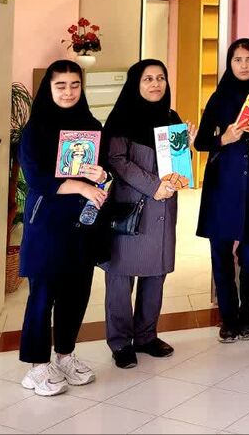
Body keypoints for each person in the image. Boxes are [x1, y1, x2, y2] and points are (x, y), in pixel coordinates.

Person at [17, 60, 111, 395]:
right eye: (61, 86)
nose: (69, 92)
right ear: (49, 88)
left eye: (75, 85)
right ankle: (37, 365)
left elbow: (103, 169)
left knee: (76, 292)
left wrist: (101, 175)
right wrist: (82, 186)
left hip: (82, 223)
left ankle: (65, 355)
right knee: (43, 293)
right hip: (47, 222)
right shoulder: (35, 129)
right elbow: (37, 178)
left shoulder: (91, 125)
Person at [102, 60, 185, 369]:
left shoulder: (171, 117)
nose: (155, 84)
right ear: (135, 84)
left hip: (163, 207)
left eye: (161, 78)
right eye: (148, 78)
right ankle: (120, 342)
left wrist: (184, 148)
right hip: (131, 206)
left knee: (155, 274)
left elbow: (178, 165)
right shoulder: (122, 117)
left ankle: (146, 336)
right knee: (120, 277)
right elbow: (117, 160)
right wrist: (153, 186)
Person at [194, 39, 249, 343]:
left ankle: (247, 313)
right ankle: (228, 317)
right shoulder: (220, 96)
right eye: (237, 59)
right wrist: (224, 139)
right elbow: (201, 142)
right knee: (221, 252)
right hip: (223, 183)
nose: (244, 65)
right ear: (230, 64)